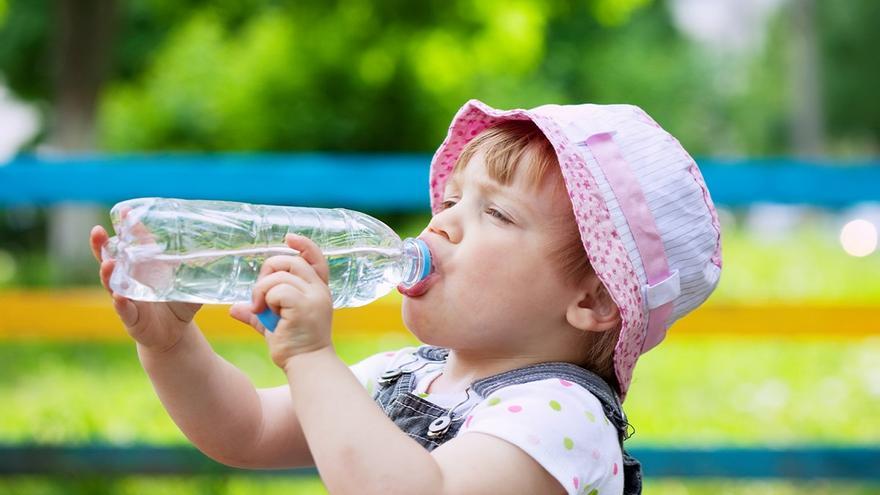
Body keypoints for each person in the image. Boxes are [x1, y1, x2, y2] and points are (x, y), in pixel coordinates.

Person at [89, 99, 722, 495]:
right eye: (450, 202)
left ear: (591, 299)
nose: (440, 224)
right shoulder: (408, 375)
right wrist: (170, 344)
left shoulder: (563, 416)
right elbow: (247, 430)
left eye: (496, 214)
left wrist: (312, 359)